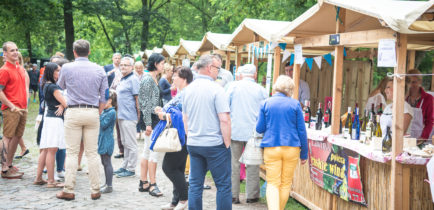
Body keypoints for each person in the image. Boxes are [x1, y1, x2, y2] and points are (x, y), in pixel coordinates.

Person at [56, 39, 108, 201]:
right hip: (92, 111)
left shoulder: (67, 68)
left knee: (72, 153)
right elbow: (105, 95)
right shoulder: (99, 69)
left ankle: (69, 189)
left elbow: (60, 86)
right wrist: (98, 111)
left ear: (74, 52)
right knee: (92, 153)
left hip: (73, 110)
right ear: (89, 51)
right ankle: (95, 189)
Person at [182, 54, 232, 210]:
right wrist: (227, 143)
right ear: (210, 68)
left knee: (195, 185)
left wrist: (190, 136)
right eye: (218, 68)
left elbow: (185, 118)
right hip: (214, 144)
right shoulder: (217, 89)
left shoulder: (187, 90)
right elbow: (224, 119)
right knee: (223, 185)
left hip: (194, 143)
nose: (219, 72)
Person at [256, 75, 308, 210]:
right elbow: (302, 131)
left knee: (273, 183)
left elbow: (259, 128)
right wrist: (304, 154)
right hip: (292, 148)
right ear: (290, 89)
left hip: (271, 147)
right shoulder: (295, 104)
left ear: (276, 87)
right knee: (285, 183)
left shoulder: (266, 103)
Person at [226, 64, 268, 204]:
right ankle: (252, 195)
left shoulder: (232, 87)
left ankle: (233, 195)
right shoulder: (261, 90)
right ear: (255, 75)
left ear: (241, 74)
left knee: (234, 163)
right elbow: (265, 111)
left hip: (235, 130)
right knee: (253, 163)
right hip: (254, 132)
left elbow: (225, 107)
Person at [156, 66, 193, 210]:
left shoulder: (187, 93)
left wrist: (164, 115)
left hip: (183, 134)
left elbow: (182, 115)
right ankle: (175, 200)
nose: (173, 77)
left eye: (176, 75)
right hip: (178, 134)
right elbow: (170, 108)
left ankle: (184, 198)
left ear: (184, 78)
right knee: (177, 168)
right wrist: (161, 110)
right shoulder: (181, 92)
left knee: (168, 167)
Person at [34, 62, 67, 188]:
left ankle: (38, 177)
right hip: (54, 119)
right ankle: (51, 180)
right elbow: (66, 102)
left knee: (46, 148)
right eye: (58, 70)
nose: (60, 73)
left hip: (49, 118)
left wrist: (62, 105)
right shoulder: (53, 87)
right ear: (52, 72)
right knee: (52, 150)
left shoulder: (46, 84)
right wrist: (63, 105)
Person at [138, 53, 165, 197]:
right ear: (155, 63)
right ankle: (152, 184)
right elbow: (144, 103)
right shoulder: (147, 79)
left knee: (147, 151)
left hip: (154, 118)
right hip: (151, 120)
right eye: (162, 63)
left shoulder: (154, 78)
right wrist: (148, 124)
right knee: (153, 152)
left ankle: (143, 182)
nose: (163, 66)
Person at [0, 41, 28, 179]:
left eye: (16, 50)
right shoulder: (4, 70)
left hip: (22, 109)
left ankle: (10, 165)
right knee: (7, 137)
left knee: (17, 137)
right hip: (11, 109)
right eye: (12, 50)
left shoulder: (19, 68)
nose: (15, 52)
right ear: (5, 53)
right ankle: (4, 168)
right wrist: (11, 106)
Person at [114, 57, 140, 178]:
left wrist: (139, 116)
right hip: (121, 115)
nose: (123, 67)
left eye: (126, 65)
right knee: (124, 142)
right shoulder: (122, 79)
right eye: (122, 65)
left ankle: (131, 168)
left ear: (132, 67)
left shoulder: (133, 79)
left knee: (131, 143)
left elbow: (137, 99)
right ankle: (124, 165)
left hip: (130, 116)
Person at [105, 53, 124, 159]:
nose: (117, 60)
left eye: (118, 58)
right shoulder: (107, 67)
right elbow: (103, 77)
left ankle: (121, 149)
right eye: (115, 58)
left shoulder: (123, 69)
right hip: (109, 99)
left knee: (118, 124)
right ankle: (107, 147)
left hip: (120, 100)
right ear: (112, 58)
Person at [406, 69, 433, 140]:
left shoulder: (428, 98)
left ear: (420, 81)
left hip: (421, 138)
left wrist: (423, 137)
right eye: (409, 82)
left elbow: (429, 122)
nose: (411, 85)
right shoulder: (405, 98)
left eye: (414, 82)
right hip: (406, 137)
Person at [98, 91, 117, 193]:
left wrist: (99, 113)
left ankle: (109, 185)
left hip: (107, 141)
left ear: (109, 101)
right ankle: (106, 183)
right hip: (102, 139)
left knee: (107, 162)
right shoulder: (106, 111)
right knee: (103, 162)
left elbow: (103, 124)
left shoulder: (111, 112)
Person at [134, 61, 146, 140]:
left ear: (143, 68)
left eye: (140, 68)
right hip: (135, 98)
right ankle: (138, 131)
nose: (139, 69)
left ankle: (143, 130)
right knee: (136, 115)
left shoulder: (146, 75)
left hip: (144, 98)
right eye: (137, 68)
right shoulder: (132, 75)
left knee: (143, 115)